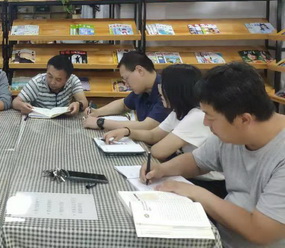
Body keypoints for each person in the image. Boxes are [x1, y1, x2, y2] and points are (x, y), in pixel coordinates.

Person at [141, 62, 285, 247]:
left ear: (244, 119)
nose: (205, 123)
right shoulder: (232, 134)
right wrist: (161, 169)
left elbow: (261, 232)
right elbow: (197, 161)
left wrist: (196, 193)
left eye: (210, 116)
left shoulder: (279, 153)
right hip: (220, 238)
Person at [104, 64, 225, 196]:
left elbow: (158, 151)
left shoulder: (197, 116)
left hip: (208, 184)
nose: (159, 90)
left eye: (162, 85)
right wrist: (127, 131)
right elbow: (153, 135)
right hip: (189, 176)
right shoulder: (178, 112)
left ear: (175, 90)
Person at [83, 51, 169, 131]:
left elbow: (147, 126)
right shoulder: (142, 89)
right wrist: (97, 112)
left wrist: (101, 123)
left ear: (140, 70)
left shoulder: (166, 90)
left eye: (127, 78)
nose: (126, 85)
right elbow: (123, 104)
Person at [12, 54, 88, 115]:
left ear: (67, 78)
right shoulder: (37, 82)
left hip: (64, 119)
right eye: (50, 76)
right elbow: (15, 102)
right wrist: (21, 106)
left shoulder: (73, 80)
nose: (52, 82)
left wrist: (79, 104)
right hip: (39, 121)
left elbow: (84, 102)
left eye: (58, 79)